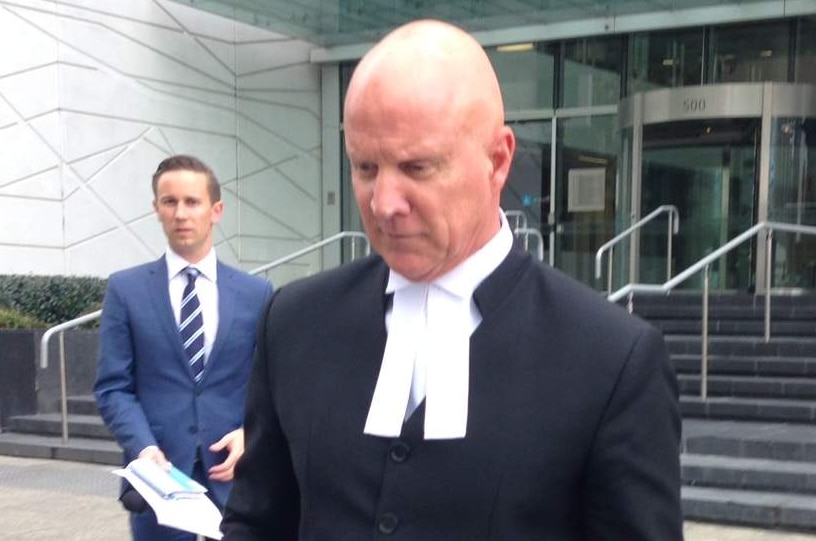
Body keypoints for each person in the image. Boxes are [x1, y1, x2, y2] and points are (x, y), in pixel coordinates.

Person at [222, 19, 682, 540]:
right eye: (366, 167)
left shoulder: (611, 358)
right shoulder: (294, 322)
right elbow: (257, 522)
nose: (384, 203)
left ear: (498, 160)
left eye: (417, 167)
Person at [94, 154, 273, 541]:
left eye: (192, 202)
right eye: (169, 202)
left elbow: (271, 384)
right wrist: (143, 449)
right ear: (156, 208)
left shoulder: (256, 294)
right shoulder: (127, 290)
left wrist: (249, 434)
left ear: (216, 210)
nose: (180, 213)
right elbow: (113, 387)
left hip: (235, 479)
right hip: (159, 482)